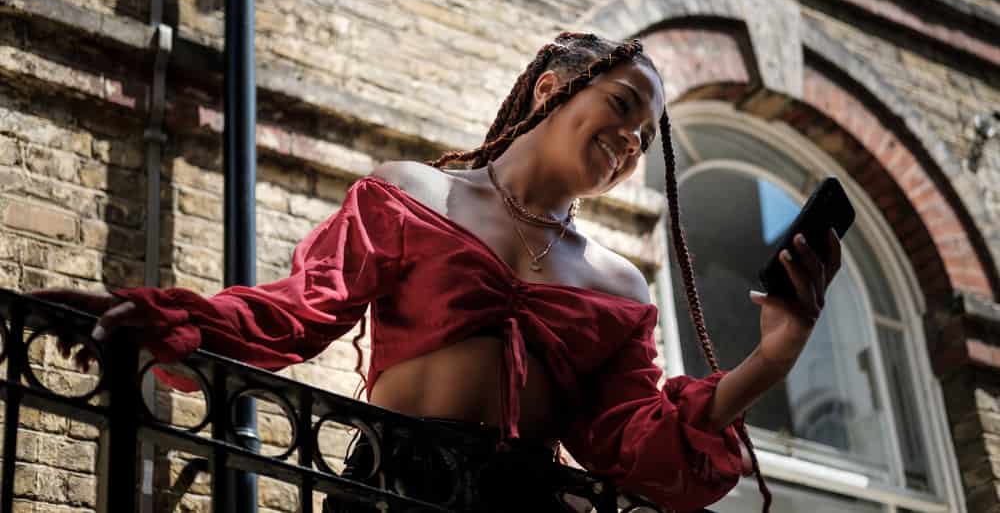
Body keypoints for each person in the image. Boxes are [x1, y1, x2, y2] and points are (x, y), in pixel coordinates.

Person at [33, 32, 840, 513]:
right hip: (392, 486)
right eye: (626, 107)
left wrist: (772, 358)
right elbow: (296, 312)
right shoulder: (412, 193)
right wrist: (153, 319)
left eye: (648, 136)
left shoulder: (619, 289)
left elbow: (632, 441)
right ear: (553, 89)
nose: (633, 141)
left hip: (524, 502)